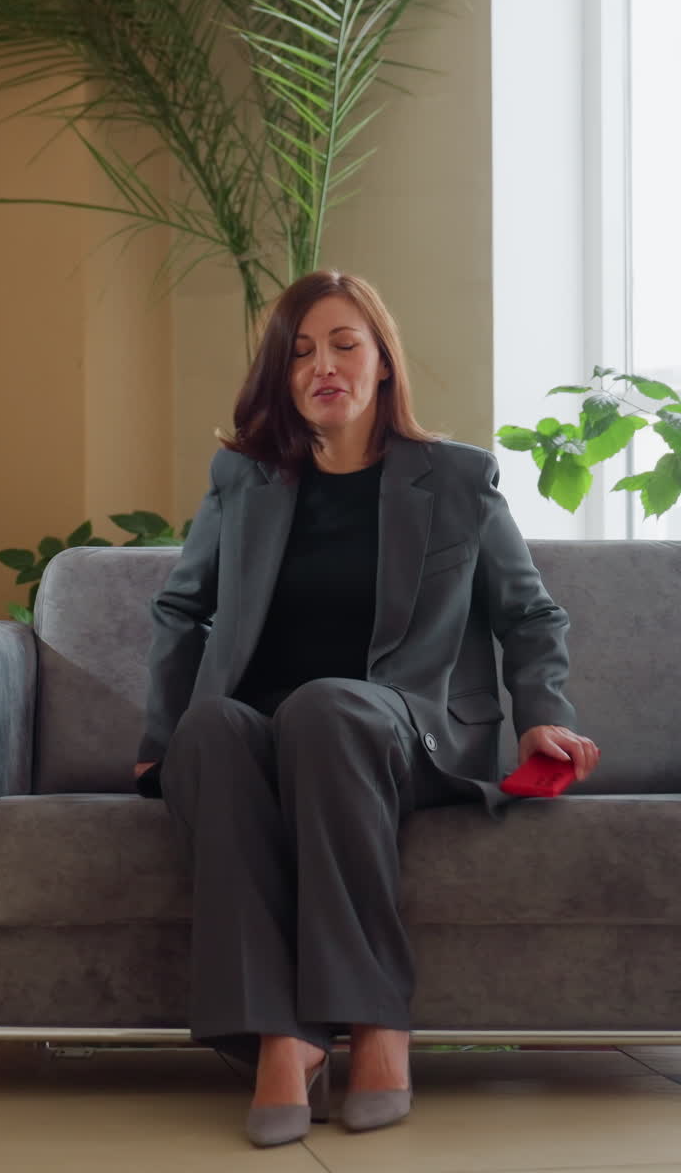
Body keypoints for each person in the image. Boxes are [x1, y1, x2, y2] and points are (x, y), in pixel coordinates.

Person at [133, 269, 600, 1148]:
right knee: (212, 730)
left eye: (346, 344)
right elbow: (179, 608)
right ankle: (284, 1034)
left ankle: (379, 1021)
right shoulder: (244, 479)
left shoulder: (456, 479)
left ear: (383, 361)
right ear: (284, 375)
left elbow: (528, 612)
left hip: (403, 729)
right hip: (267, 733)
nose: (324, 366)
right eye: (301, 351)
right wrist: (161, 733)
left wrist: (541, 711)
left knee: (326, 709)